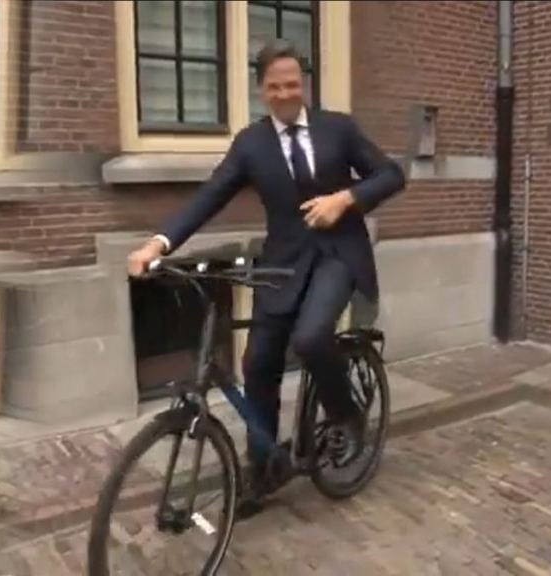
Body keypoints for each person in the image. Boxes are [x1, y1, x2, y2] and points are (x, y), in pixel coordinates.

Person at [127, 39, 406, 498]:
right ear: (261, 89)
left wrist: (346, 199)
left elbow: (391, 175)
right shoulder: (251, 143)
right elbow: (209, 196)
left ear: (304, 84)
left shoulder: (337, 128)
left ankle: (348, 415)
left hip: (338, 256)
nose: (284, 94)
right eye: (275, 87)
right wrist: (158, 243)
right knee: (257, 363)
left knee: (311, 338)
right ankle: (263, 466)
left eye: (292, 85)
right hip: (283, 265)